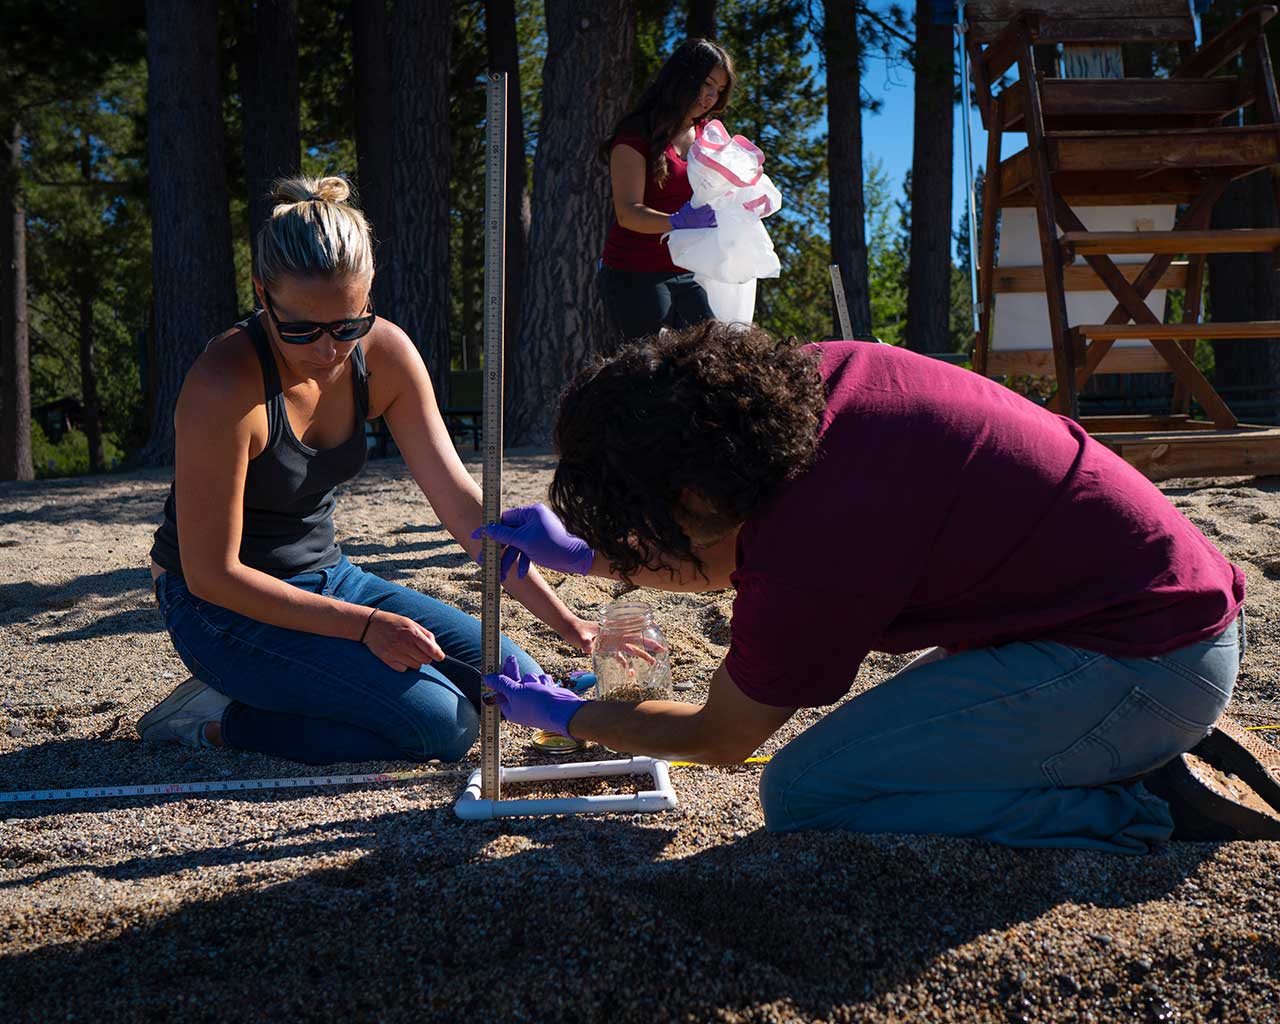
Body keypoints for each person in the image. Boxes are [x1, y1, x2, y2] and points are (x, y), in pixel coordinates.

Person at [475, 321, 1280, 852]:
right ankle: (1109, 748)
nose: (631, 557)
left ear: (701, 505)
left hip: (1150, 659)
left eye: (639, 541)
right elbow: (715, 551)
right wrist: (591, 554)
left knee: (812, 792)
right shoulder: (791, 396)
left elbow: (722, 737)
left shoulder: (815, 531)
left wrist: (574, 716)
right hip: (1126, 616)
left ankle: (1136, 803)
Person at [139, 176, 596, 765]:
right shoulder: (223, 383)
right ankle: (220, 718)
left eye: (347, 325)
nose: (328, 350)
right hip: (221, 611)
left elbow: (465, 510)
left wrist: (565, 621)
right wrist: (365, 627)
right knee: (443, 728)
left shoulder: (386, 355)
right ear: (260, 292)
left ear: (369, 292)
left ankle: (305, 689)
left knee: (513, 676)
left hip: (330, 579)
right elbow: (211, 575)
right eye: (301, 329)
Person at [598, 37, 734, 346]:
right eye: (707, 84)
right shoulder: (636, 132)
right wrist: (677, 220)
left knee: (713, 355)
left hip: (683, 271)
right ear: (683, 77)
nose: (711, 96)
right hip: (634, 272)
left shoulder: (706, 133)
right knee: (650, 371)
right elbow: (628, 212)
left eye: (720, 90)